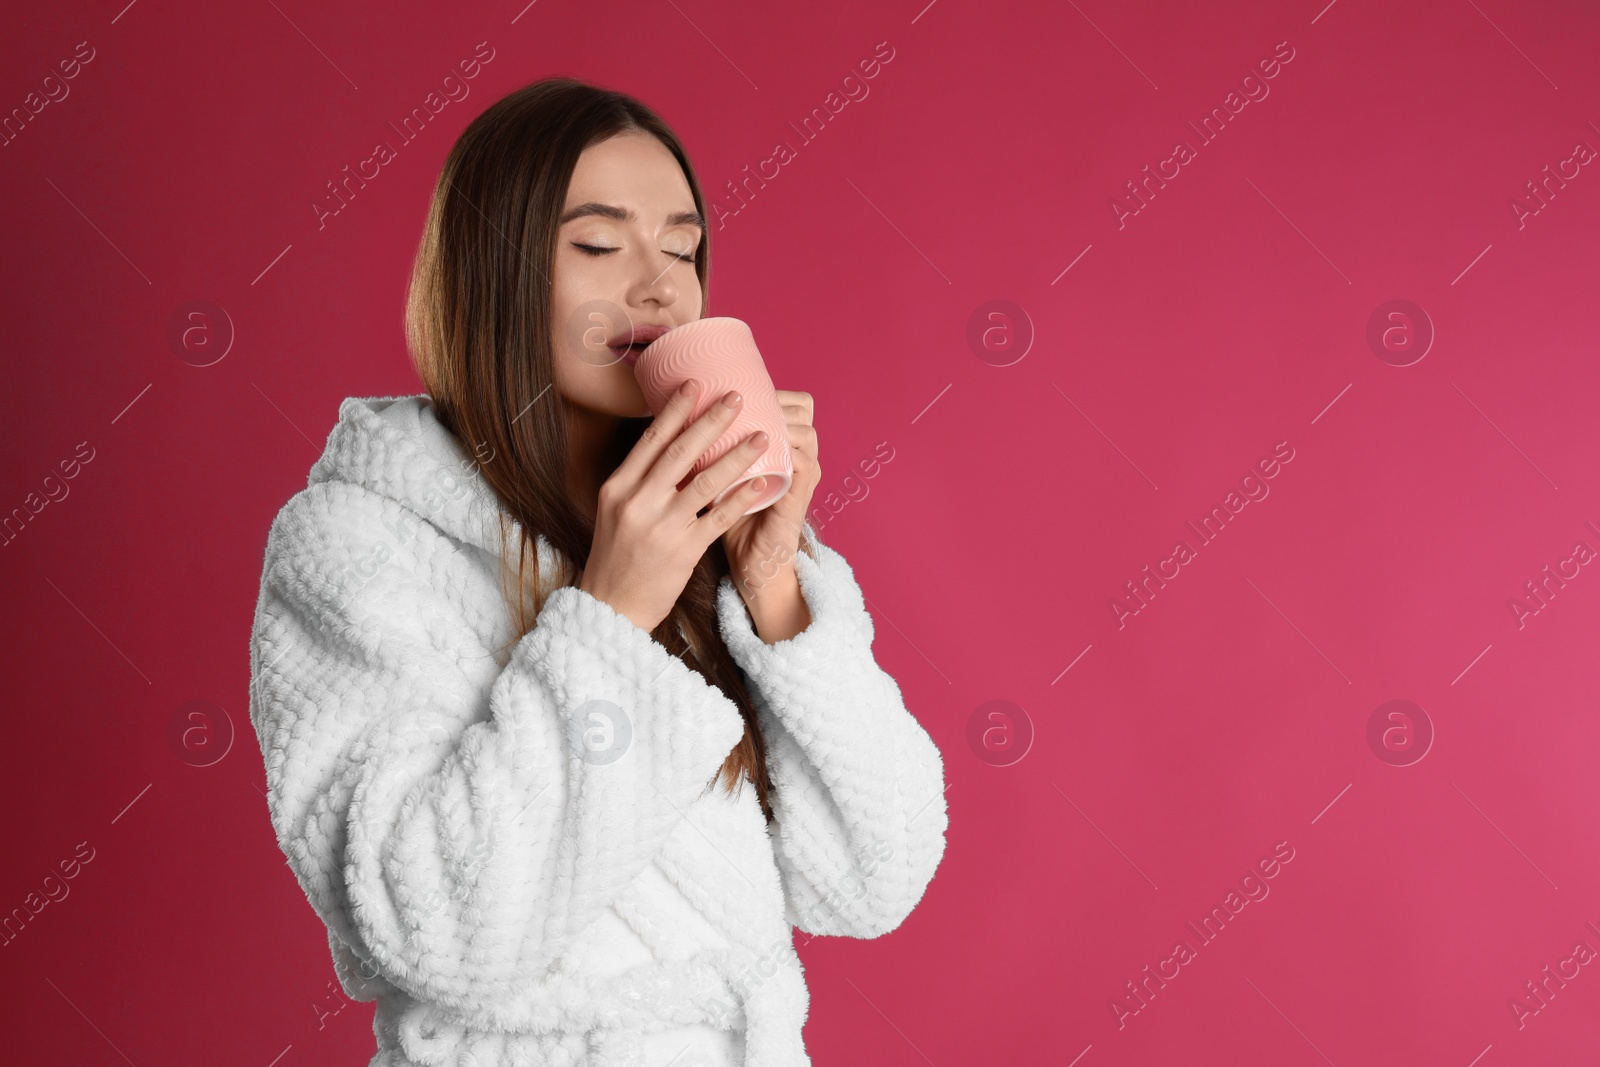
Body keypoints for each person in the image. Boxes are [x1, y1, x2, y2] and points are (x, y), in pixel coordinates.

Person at [246, 76, 948, 1067]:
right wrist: (611, 611)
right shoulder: (358, 543)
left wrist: (775, 586)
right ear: (489, 269)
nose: (659, 286)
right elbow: (434, 924)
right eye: (598, 244)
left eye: (682, 247)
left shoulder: (704, 536)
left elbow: (872, 878)